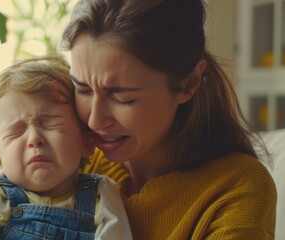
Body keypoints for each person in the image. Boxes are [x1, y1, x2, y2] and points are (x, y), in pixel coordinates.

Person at [60, 0, 277, 239]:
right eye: (83, 90)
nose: (94, 121)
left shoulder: (236, 188)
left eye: (123, 98)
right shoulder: (74, 162)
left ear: (188, 84)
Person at [0, 56, 133, 240]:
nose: (34, 139)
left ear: (86, 142)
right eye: (15, 132)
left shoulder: (102, 195)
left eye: (50, 124)